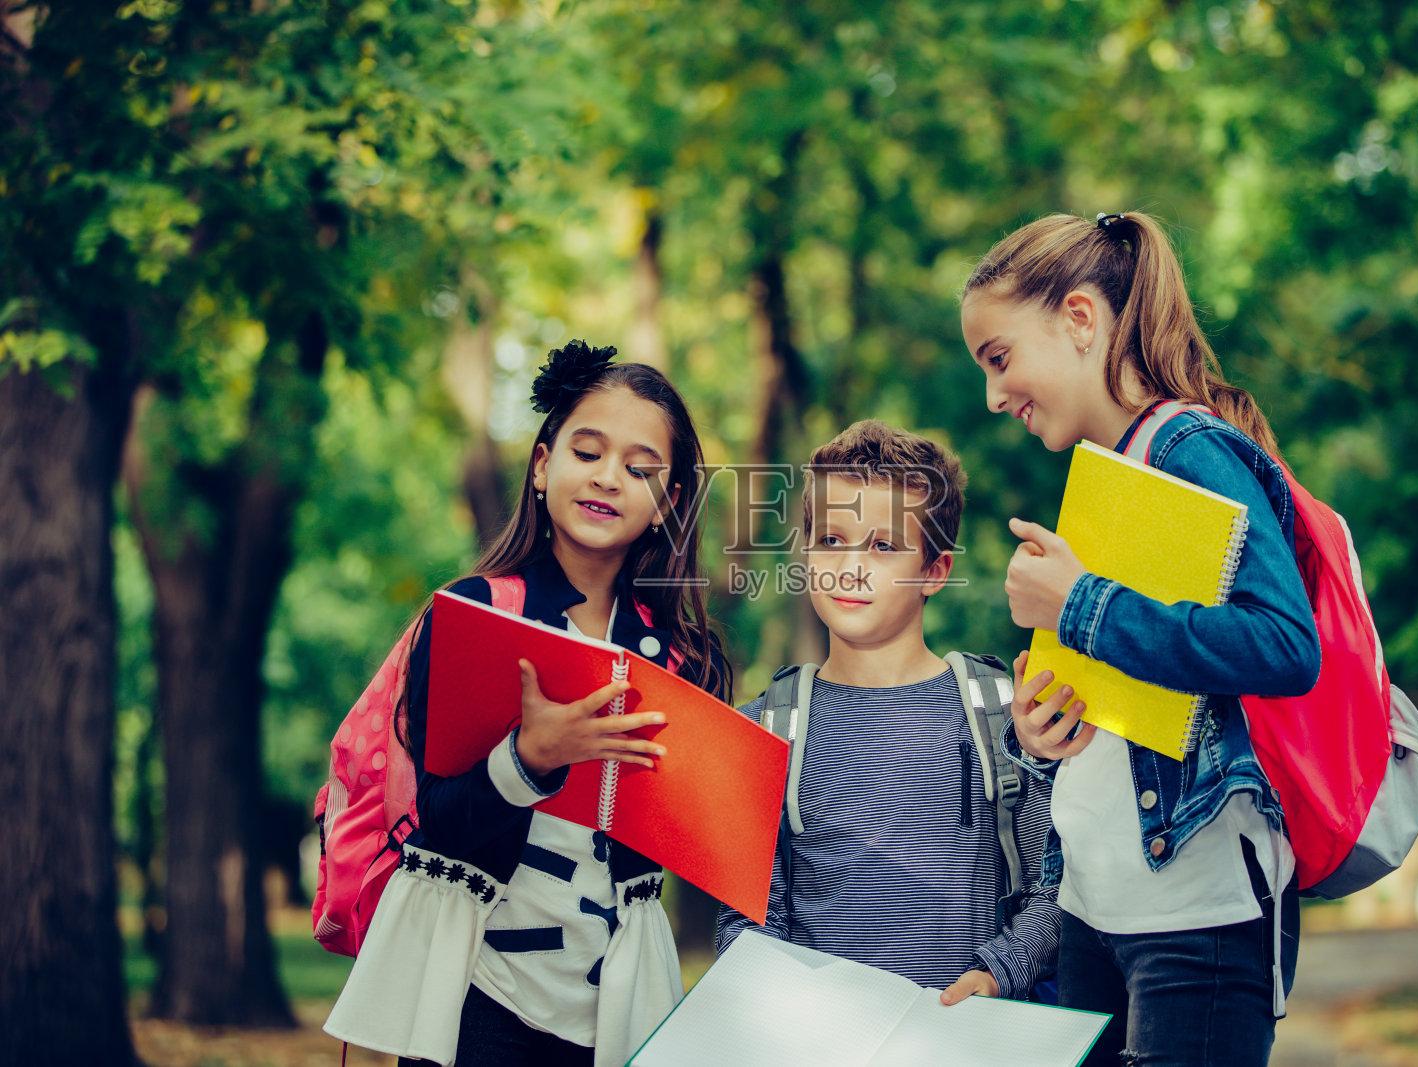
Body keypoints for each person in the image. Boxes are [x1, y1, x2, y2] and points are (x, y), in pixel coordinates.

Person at [960, 211, 1321, 1066]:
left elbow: (1284, 644)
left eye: (999, 358)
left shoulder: (1189, 446)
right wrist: (1046, 730)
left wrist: (1079, 603)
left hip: (1197, 919)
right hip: (1094, 908)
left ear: (1081, 319)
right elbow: (1144, 707)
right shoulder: (1108, 476)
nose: (993, 397)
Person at [324, 341, 728, 1067]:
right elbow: (437, 819)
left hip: (615, 1004)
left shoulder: (683, 657)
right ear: (542, 466)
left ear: (668, 502)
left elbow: (693, 834)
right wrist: (528, 760)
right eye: (587, 451)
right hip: (475, 992)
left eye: (641, 468)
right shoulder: (476, 613)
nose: (608, 477)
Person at [715, 419, 1061, 1006]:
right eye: (831, 540)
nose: (851, 566)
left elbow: (1054, 883)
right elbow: (745, 918)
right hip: (820, 1037)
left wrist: (999, 972)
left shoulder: (1003, 713)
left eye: (882, 546)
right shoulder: (764, 727)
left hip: (964, 1037)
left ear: (934, 571)